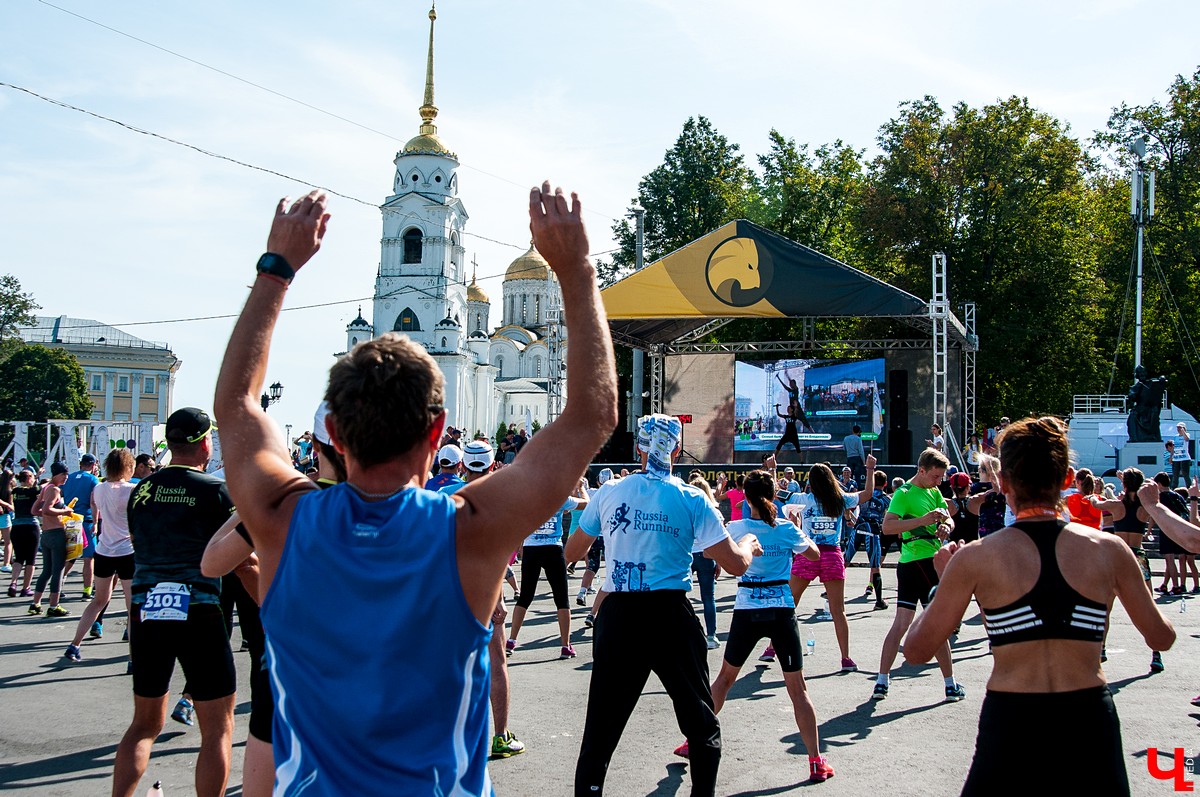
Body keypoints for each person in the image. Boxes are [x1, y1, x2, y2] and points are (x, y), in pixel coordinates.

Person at [212, 183, 618, 795]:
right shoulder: (467, 529)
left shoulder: (281, 520)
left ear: (335, 433)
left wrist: (277, 269)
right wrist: (578, 268)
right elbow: (593, 414)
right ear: (437, 432)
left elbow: (237, 404)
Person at [905, 416, 1175, 795]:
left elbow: (916, 651)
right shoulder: (1108, 550)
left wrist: (944, 584)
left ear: (1003, 481)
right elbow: (1161, 637)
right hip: (1087, 718)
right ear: (1066, 478)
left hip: (1013, 718)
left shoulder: (977, 559)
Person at [564, 413, 761, 797]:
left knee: (600, 731)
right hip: (671, 613)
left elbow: (572, 552)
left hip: (620, 614)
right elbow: (734, 565)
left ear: (638, 446)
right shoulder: (692, 498)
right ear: (675, 447)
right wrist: (749, 548)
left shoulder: (609, 493)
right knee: (701, 724)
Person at [674, 469, 833, 782]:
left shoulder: (736, 527)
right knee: (797, 689)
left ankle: (694, 740)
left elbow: (709, 551)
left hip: (748, 606)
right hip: (782, 608)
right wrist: (797, 531)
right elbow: (814, 555)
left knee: (724, 679)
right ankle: (815, 761)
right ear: (774, 495)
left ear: (744, 497)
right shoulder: (786, 528)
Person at [111, 408, 237, 797]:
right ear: (203, 442)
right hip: (199, 607)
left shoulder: (143, 491)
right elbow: (241, 555)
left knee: (144, 725)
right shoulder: (215, 490)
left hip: (148, 607)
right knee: (216, 728)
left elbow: (137, 541)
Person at [438, 439, 525, 759]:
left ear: (462, 466)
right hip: (486, 592)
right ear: (492, 465)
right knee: (496, 663)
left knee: (448, 663)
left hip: (446, 590)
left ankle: (446, 735)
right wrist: (500, 595)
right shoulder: (498, 500)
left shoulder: (443, 494)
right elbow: (498, 550)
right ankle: (500, 736)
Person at [871, 448, 965, 702]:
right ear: (921, 470)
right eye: (935, 476)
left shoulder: (934, 492)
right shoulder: (903, 494)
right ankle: (950, 685)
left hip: (922, 562)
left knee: (905, 624)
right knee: (934, 626)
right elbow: (888, 526)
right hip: (919, 563)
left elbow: (949, 518)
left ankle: (882, 682)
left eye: (941, 477)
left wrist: (946, 525)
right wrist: (922, 520)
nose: (939, 482)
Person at [781, 457, 875, 672]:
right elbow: (867, 495)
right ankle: (846, 658)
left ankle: (771, 649)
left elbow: (778, 494)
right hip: (832, 555)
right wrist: (870, 469)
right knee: (838, 610)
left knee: (788, 604)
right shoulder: (840, 499)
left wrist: (773, 470)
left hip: (808, 553)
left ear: (811, 481)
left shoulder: (802, 498)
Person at [1087, 468, 1165, 672]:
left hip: (1119, 556)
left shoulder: (1116, 505)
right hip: (1138, 555)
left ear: (1124, 484)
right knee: (1149, 606)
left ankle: (1102, 648)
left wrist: (1093, 495)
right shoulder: (1144, 508)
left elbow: (1096, 503)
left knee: (1106, 606)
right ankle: (1156, 654)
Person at [64, 449, 136, 661]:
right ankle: (133, 658)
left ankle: (75, 644)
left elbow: (96, 507)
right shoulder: (132, 489)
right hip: (127, 551)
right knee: (132, 605)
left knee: (98, 600)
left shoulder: (99, 488)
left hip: (104, 549)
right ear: (128, 467)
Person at [507, 477, 587, 659]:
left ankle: (511, 640)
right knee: (561, 598)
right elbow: (586, 504)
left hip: (531, 548)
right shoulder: (560, 498)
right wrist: (581, 488)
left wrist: (519, 545)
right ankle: (565, 645)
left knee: (525, 596)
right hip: (553, 547)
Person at [28, 462, 72, 617]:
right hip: (56, 534)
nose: (66, 477)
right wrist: (64, 511)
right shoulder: (54, 489)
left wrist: (49, 515)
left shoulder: (45, 487)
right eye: (63, 475)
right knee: (58, 570)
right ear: (56, 475)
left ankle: (35, 603)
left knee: (46, 570)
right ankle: (54, 605)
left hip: (46, 534)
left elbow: (35, 510)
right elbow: (47, 509)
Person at [844, 469, 891, 610]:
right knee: (875, 566)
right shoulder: (886, 499)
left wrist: (850, 519)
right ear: (885, 484)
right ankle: (879, 601)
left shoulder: (863, 496)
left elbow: (846, 507)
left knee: (845, 560)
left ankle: (830, 591)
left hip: (858, 528)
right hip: (873, 531)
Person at [61, 453, 100, 600]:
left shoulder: (70, 478)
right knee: (89, 557)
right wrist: (96, 523)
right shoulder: (92, 479)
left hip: (70, 519)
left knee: (70, 555)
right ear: (92, 464)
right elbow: (93, 502)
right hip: (86, 520)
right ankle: (87, 590)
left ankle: (58, 585)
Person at [7, 469, 41, 597]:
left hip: (17, 526)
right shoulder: (32, 490)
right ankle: (26, 587)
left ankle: (13, 582)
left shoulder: (15, 491)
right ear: (28, 479)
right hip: (31, 526)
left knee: (19, 557)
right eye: (31, 477)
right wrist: (38, 475)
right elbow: (38, 489)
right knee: (31, 559)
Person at [1171, 422, 1192, 488]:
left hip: (1184, 458)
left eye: (1180, 427)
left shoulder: (1186, 434)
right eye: (1177, 428)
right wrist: (1171, 456)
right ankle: (1174, 488)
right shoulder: (1175, 437)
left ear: (1184, 428)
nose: (1178, 429)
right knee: (1175, 474)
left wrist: (1183, 431)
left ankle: (1189, 487)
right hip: (1176, 458)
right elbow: (1173, 447)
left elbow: (1187, 439)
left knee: (1185, 474)